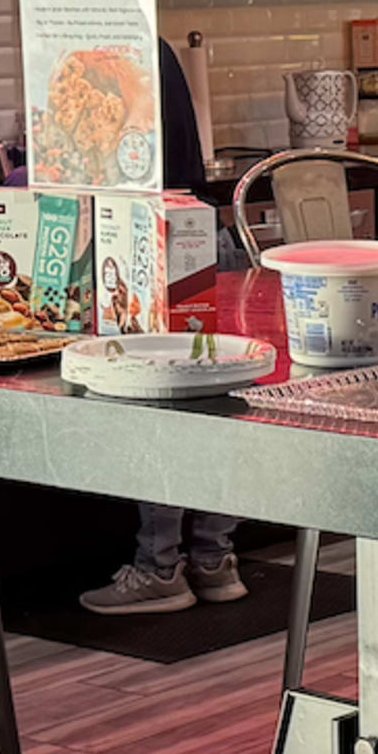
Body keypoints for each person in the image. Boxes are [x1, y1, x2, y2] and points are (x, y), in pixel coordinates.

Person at [79, 37, 245, 614]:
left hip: (148, 232)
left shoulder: (103, 53)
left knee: (158, 402)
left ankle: (159, 567)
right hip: (200, 225)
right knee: (216, 404)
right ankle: (214, 560)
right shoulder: (152, 45)